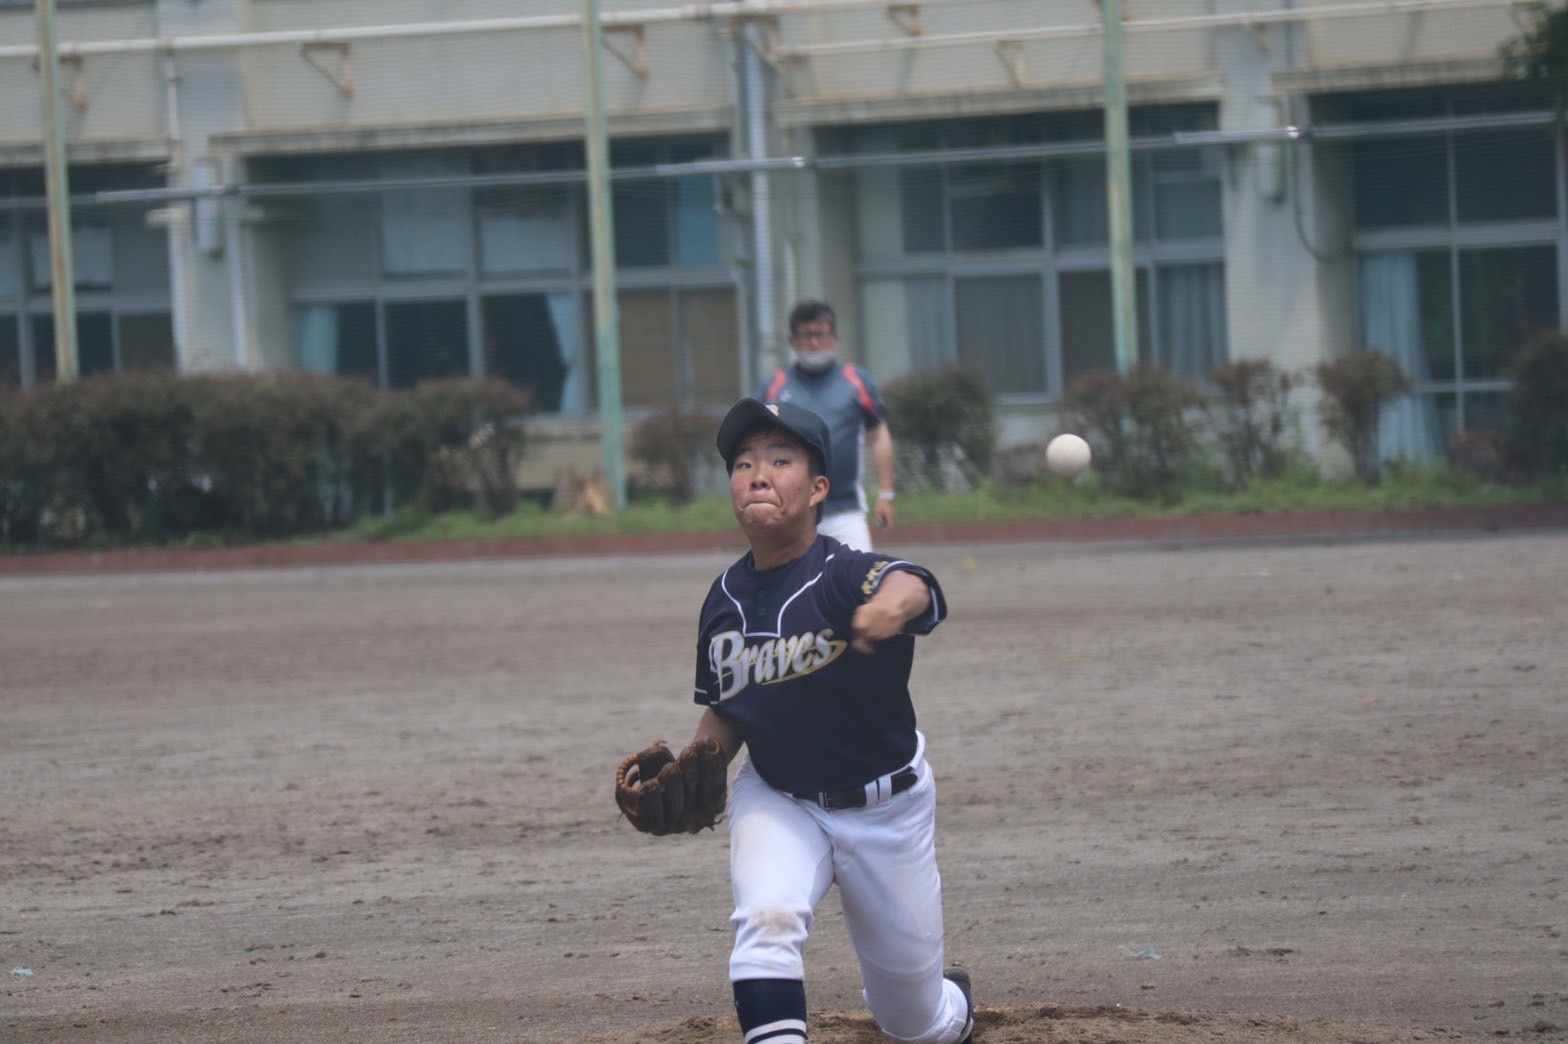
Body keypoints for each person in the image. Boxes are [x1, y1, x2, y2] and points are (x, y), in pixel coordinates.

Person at [685, 397, 973, 1044]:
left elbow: (912, 584)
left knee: (915, 1023)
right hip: (780, 797)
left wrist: (890, 610)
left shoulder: (845, 573)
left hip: (887, 811)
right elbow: (729, 708)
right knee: (766, 924)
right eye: (744, 462)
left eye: (780, 460)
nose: (758, 474)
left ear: (819, 490)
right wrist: (692, 770)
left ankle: (953, 1006)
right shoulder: (725, 600)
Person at [756, 300, 895, 551]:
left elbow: (879, 436)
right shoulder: (774, 387)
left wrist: (886, 494)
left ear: (835, 338)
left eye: (821, 335)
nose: (814, 343)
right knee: (792, 587)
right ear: (793, 341)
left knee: (859, 585)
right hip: (790, 514)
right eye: (807, 336)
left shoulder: (857, 381)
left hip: (845, 512)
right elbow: (755, 445)